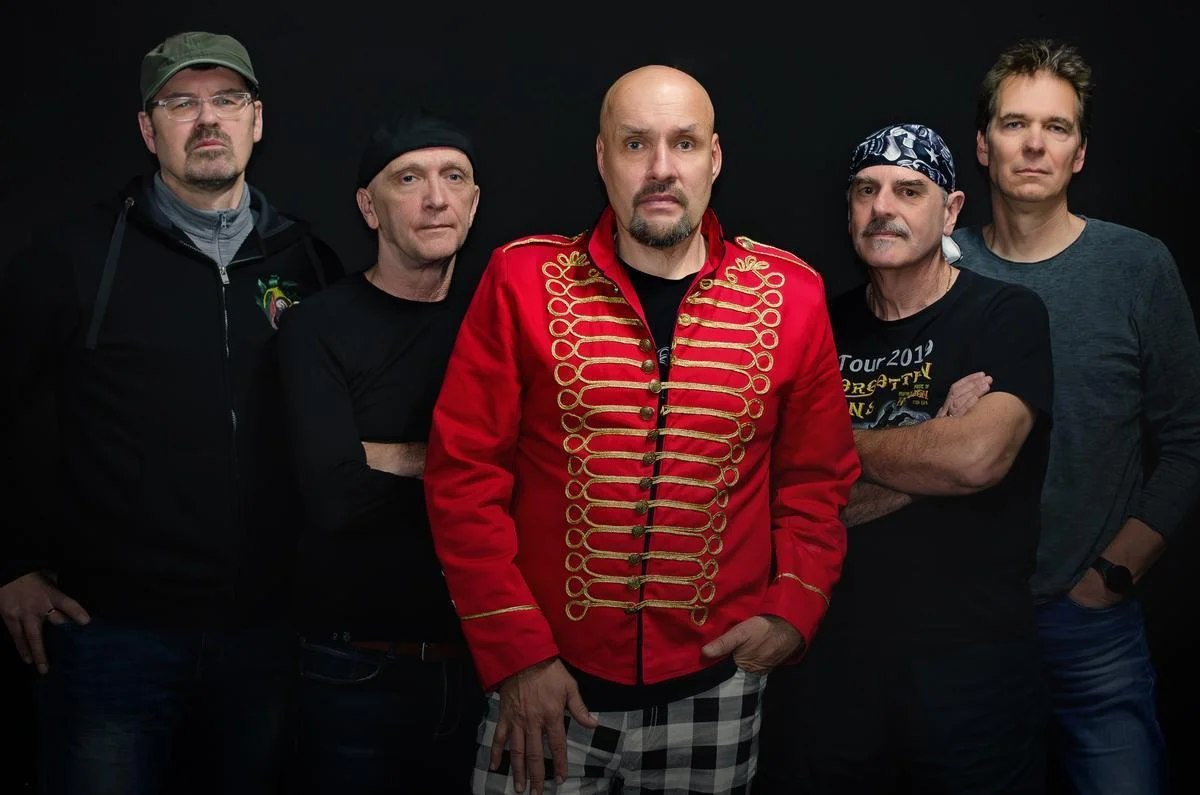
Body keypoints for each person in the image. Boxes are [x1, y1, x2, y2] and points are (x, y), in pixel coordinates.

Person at [423, 64, 860, 795]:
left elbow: (817, 480)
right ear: (602, 160)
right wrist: (518, 655)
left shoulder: (793, 295)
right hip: (544, 690)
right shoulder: (521, 280)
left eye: (683, 143)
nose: (661, 168)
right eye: (635, 144)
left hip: (717, 688)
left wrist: (793, 608)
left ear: (714, 159)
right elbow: (463, 478)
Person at [0, 30, 341, 795]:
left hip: (266, 634)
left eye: (227, 100)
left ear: (258, 120)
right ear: (149, 129)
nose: (207, 119)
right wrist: (10, 565)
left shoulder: (307, 262)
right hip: (111, 636)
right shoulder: (75, 258)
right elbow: (9, 406)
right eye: (181, 103)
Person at [757, 123, 1055, 794]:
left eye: (908, 190)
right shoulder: (814, 325)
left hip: (972, 674)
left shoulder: (1006, 315)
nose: (882, 207)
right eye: (866, 190)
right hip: (829, 672)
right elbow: (777, 498)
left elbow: (975, 459)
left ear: (950, 210)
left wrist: (827, 449)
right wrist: (931, 443)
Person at [953, 38, 1200, 795]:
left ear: (1080, 153)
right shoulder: (940, 265)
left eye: (1056, 127)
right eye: (1015, 123)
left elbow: (1188, 440)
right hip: (963, 624)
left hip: (1091, 618)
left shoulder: (1137, 267)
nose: (1034, 144)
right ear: (983, 146)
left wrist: (1111, 576)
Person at [277, 109, 486, 794]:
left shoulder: (498, 319)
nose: (436, 198)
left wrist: (382, 455)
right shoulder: (317, 326)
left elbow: (542, 477)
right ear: (369, 207)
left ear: (474, 201)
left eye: (453, 177)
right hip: (353, 671)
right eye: (409, 179)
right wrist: (475, 471)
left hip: (484, 671)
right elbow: (333, 495)